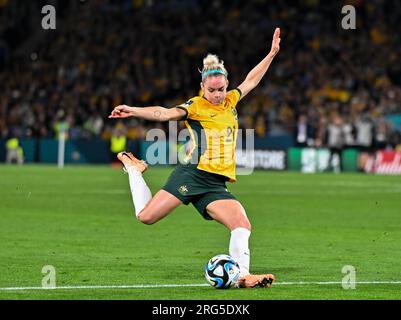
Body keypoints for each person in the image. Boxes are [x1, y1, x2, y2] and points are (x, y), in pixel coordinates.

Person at [109, 28, 281, 288]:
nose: (217, 94)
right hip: (192, 174)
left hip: (215, 184)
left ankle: (242, 276)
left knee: (241, 223)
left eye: (221, 89)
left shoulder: (231, 101)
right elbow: (164, 114)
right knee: (146, 216)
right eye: (212, 90)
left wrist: (271, 54)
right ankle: (134, 169)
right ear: (203, 88)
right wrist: (133, 110)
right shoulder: (196, 106)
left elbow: (251, 81)